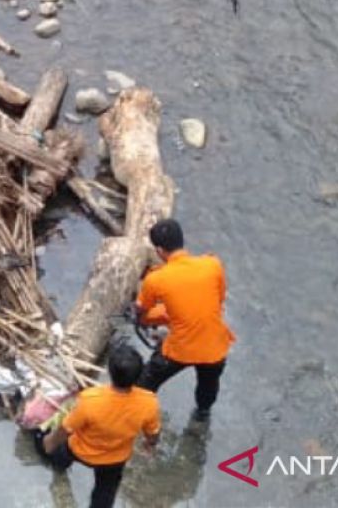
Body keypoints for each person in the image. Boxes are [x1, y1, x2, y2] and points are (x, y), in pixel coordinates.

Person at [135, 218, 235, 421]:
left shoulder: (156, 279)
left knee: (146, 383)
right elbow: (219, 299)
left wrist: (153, 318)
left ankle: (137, 414)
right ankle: (202, 414)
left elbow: (141, 312)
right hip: (215, 347)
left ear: (160, 251)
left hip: (179, 349)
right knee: (208, 385)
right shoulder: (212, 264)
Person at [38, 345, 160, 508]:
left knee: (58, 453)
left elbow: (66, 429)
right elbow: (153, 433)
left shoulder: (90, 399)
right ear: (139, 376)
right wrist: (150, 444)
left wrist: (49, 442)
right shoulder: (149, 402)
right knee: (105, 493)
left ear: (110, 371)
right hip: (115, 459)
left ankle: (58, 467)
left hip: (81, 451)